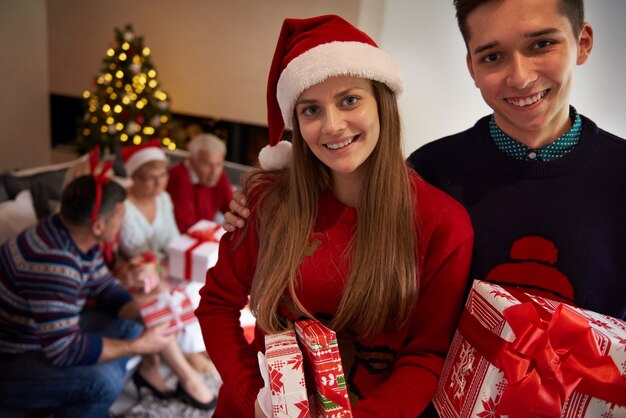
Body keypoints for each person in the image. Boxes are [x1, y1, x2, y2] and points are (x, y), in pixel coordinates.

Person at [227, 0, 626, 321]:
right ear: (471, 66)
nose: (520, 77)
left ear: (583, 42)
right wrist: (270, 199)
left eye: (541, 44)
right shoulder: (431, 170)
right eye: (492, 56)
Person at [196, 14, 474, 417]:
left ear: (382, 101)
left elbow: (427, 354)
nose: (332, 125)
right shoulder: (268, 201)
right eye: (311, 109)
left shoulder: (443, 224)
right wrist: (254, 397)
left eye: (349, 100)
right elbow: (217, 306)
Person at [0, 169, 174, 417]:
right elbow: (64, 349)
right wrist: (139, 347)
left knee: (131, 326)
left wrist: (144, 314)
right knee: (103, 382)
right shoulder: (55, 266)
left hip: (43, 335)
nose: (123, 222)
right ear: (99, 225)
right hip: (16, 358)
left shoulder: (70, 233)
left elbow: (104, 286)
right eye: (121, 216)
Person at [116, 140, 216, 410]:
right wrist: (149, 270)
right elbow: (118, 256)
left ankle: (195, 349)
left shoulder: (163, 198)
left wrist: (161, 267)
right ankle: (187, 373)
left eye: (162, 175)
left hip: (163, 268)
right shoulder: (122, 206)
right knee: (162, 297)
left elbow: (172, 242)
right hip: (134, 277)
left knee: (199, 283)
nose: (158, 183)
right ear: (133, 177)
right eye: (150, 178)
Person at [167, 133, 233, 232]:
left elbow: (232, 208)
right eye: (207, 164)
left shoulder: (218, 174)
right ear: (191, 161)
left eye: (219, 164)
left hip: (207, 232)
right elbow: (186, 227)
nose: (214, 172)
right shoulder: (178, 178)